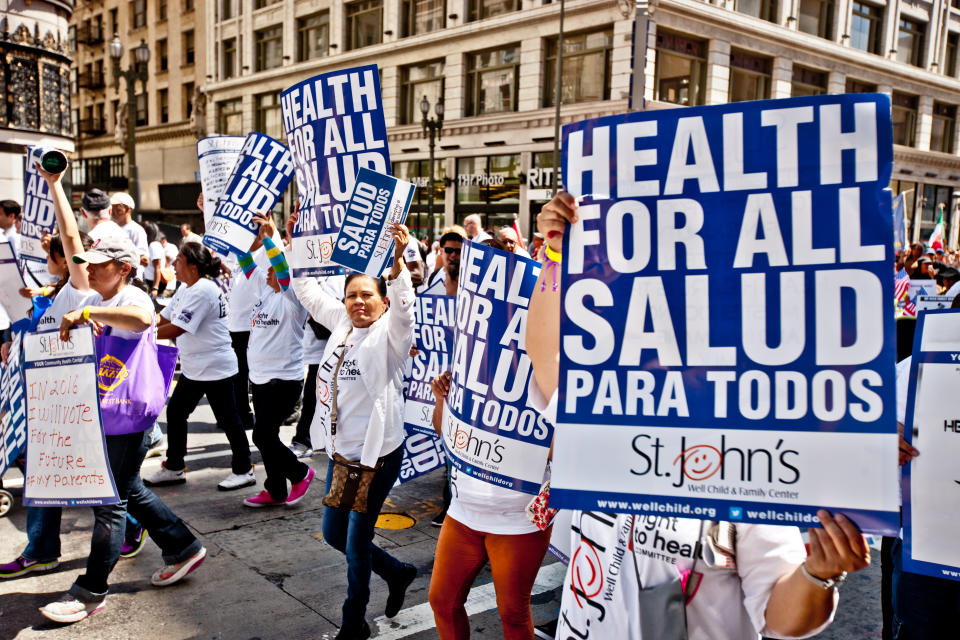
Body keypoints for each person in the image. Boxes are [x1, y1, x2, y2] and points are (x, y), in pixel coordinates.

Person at [527, 191, 870, 639]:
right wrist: (554, 254)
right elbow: (544, 352)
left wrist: (820, 574)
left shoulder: (748, 451)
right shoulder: (606, 409)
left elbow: (781, 618)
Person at [40, 204, 205, 622]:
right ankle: (182, 545)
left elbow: (143, 317)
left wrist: (91, 313)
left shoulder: (131, 296)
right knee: (128, 488)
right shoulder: (97, 296)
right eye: (88, 264)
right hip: (108, 412)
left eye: (100, 265)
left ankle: (91, 591)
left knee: (109, 502)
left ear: (125, 268)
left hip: (127, 415)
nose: (91, 271)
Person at [290, 214, 418, 640]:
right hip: (342, 454)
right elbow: (306, 290)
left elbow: (404, 313)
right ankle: (397, 571)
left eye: (367, 295)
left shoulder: (391, 337)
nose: (358, 302)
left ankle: (353, 624)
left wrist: (397, 268)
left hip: (376, 457)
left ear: (382, 301)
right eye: (351, 296)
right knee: (333, 534)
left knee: (356, 544)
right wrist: (297, 241)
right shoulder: (343, 324)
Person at [145, 242, 255, 491]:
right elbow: (165, 316)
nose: (173, 263)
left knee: (229, 420)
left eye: (179, 260)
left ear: (193, 266)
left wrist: (145, 336)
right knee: (175, 412)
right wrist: (141, 323)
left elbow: (178, 327)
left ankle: (244, 469)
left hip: (215, 366)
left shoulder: (203, 290)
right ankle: (174, 467)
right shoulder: (187, 288)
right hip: (196, 367)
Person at [241, 213, 315, 507]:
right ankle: (275, 490)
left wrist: (271, 238)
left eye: (273, 269)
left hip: (283, 379)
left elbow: (283, 268)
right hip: (260, 378)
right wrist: (240, 234)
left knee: (262, 436)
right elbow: (245, 261)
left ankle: (300, 473)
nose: (269, 271)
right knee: (267, 435)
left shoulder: (292, 297)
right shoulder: (265, 291)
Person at [110, 192, 149, 274]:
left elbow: (144, 260)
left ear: (127, 209)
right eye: (111, 209)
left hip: (130, 277)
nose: (113, 213)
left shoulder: (137, 230)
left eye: (117, 210)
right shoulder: (110, 228)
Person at [420, 230, 463, 295]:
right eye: (449, 250)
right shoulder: (434, 276)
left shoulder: (470, 280)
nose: (453, 254)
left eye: (458, 251)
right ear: (441, 251)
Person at [143, 221, 166, 297]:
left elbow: (157, 267)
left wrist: (155, 288)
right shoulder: (155, 244)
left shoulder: (154, 245)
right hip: (151, 281)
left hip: (153, 283)